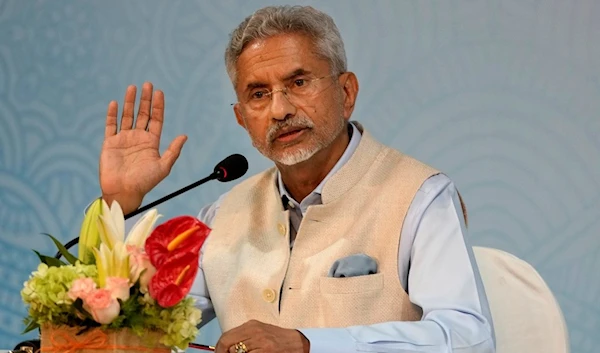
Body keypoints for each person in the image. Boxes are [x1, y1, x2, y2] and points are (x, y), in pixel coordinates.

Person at [100, 5, 495, 353]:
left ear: (346, 92)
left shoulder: (419, 196)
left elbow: (468, 339)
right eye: (258, 94)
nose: (279, 109)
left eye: (299, 83)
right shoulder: (222, 216)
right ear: (241, 118)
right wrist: (121, 205)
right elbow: (140, 327)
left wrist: (309, 345)